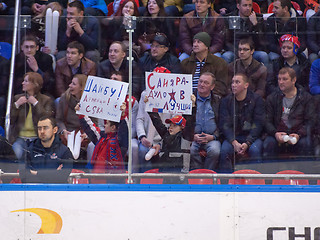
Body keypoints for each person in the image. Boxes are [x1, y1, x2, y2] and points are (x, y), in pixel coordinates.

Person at [263, 67, 314, 157]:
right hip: (277, 133)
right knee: (269, 143)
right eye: (279, 79)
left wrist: (299, 134)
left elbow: (310, 121)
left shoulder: (306, 98)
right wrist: (275, 133)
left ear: (294, 80)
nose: (281, 82)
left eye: (285, 79)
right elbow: (267, 121)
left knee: (306, 143)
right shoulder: (272, 98)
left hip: (298, 134)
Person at [219, 73, 265, 173]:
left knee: (255, 150)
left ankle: (255, 182)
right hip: (233, 138)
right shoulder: (226, 101)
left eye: (237, 82)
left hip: (252, 137)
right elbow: (224, 125)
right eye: (232, 82)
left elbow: (258, 124)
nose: (233, 85)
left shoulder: (257, 100)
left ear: (246, 85)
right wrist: (233, 141)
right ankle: (225, 182)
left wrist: (248, 142)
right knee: (224, 150)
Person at [76, 102, 126, 183]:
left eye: (107, 124)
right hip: (96, 182)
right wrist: (81, 113)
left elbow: (124, 130)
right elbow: (90, 128)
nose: (105, 125)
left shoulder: (120, 141)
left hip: (113, 185)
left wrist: (123, 116)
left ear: (113, 127)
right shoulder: (102, 138)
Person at [10, 72, 55, 160]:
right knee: (16, 155)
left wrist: (36, 103)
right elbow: (10, 120)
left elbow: (47, 119)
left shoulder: (46, 100)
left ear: (35, 84)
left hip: (37, 139)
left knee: (37, 158)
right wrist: (16, 105)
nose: (22, 83)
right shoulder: (17, 98)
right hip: (20, 138)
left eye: (26, 81)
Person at [19, 116, 73, 183]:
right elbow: (24, 177)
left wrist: (36, 173)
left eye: (45, 128)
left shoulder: (65, 151)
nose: (42, 131)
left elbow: (61, 178)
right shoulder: (29, 150)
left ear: (55, 130)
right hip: (34, 191)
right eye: (39, 128)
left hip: (56, 192)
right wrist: (53, 174)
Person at [189, 72, 221, 171]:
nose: (201, 85)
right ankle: (196, 176)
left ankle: (208, 175)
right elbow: (183, 122)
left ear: (212, 87)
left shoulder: (218, 100)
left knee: (215, 151)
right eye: (200, 81)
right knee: (190, 150)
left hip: (212, 137)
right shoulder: (189, 99)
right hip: (193, 137)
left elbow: (223, 123)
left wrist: (213, 136)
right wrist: (191, 136)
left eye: (206, 83)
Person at [181, 32, 229, 97]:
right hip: (188, 98)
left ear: (206, 46)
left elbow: (221, 86)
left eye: (199, 42)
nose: (195, 44)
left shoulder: (219, 63)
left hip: (210, 99)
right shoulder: (185, 63)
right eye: (194, 42)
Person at [222, 0, 268, 66]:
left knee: (263, 55)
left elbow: (261, 42)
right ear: (238, 6)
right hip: (235, 50)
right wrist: (238, 51)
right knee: (227, 56)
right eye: (245, 5)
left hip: (252, 50)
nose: (248, 8)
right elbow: (227, 41)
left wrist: (255, 25)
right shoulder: (231, 18)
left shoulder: (258, 18)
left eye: (250, 5)